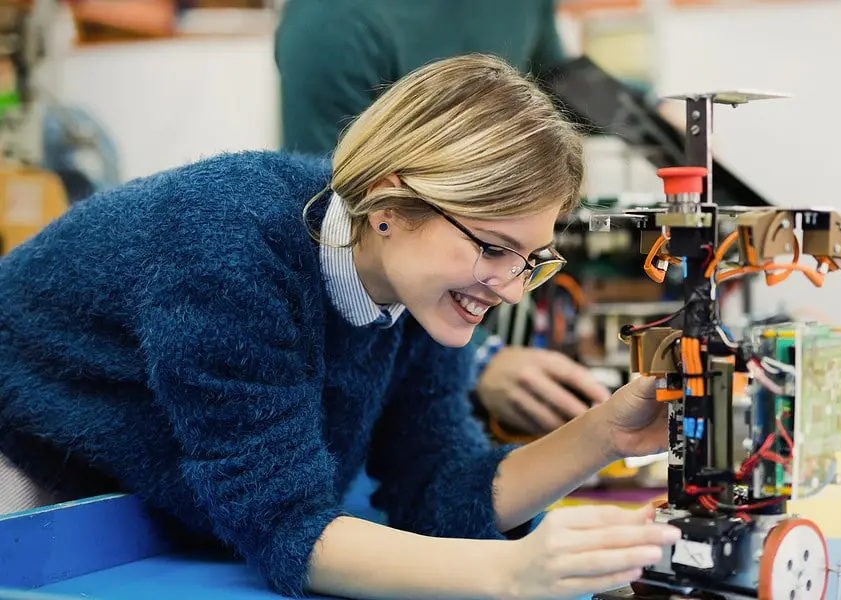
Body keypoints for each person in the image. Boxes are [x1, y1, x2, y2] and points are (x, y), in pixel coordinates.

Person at [0, 54, 679, 599]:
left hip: (142, 495)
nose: (507, 286)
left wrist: (603, 434)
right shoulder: (230, 252)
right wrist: (510, 576)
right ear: (389, 202)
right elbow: (287, 529)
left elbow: (438, 490)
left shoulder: (419, 286)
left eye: (531, 259)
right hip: (26, 462)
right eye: (493, 249)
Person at [273, 0, 611, 437]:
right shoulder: (333, 20)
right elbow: (342, 211)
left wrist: (660, 123)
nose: (514, 293)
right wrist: (481, 359)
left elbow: (564, 81)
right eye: (493, 246)